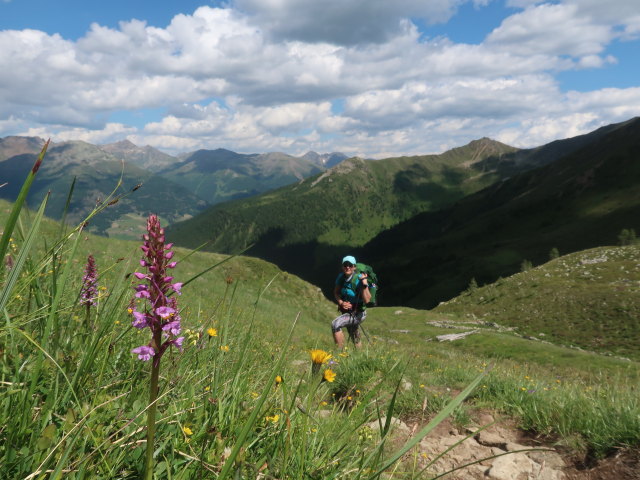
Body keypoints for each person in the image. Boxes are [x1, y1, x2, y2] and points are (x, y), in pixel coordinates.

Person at [332, 255, 371, 349]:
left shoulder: (359, 280)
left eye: (350, 265)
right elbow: (336, 293)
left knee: (335, 324)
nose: (347, 267)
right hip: (348, 312)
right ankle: (360, 356)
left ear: (354, 267)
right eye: (345, 265)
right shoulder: (341, 277)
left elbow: (367, 300)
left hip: (359, 313)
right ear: (342, 266)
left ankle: (340, 353)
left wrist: (364, 284)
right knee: (354, 335)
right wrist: (341, 303)